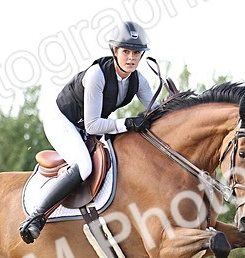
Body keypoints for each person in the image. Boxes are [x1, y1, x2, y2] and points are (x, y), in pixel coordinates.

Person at [18, 21, 160, 244]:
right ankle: (36, 216)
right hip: (62, 121)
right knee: (84, 166)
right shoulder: (97, 75)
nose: (131, 58)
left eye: (136, 53)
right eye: (126, 51)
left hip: (87, 126)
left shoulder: (138, 80)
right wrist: (128, 123)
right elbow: (94, 125)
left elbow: (156, 111)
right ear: (115, 51)